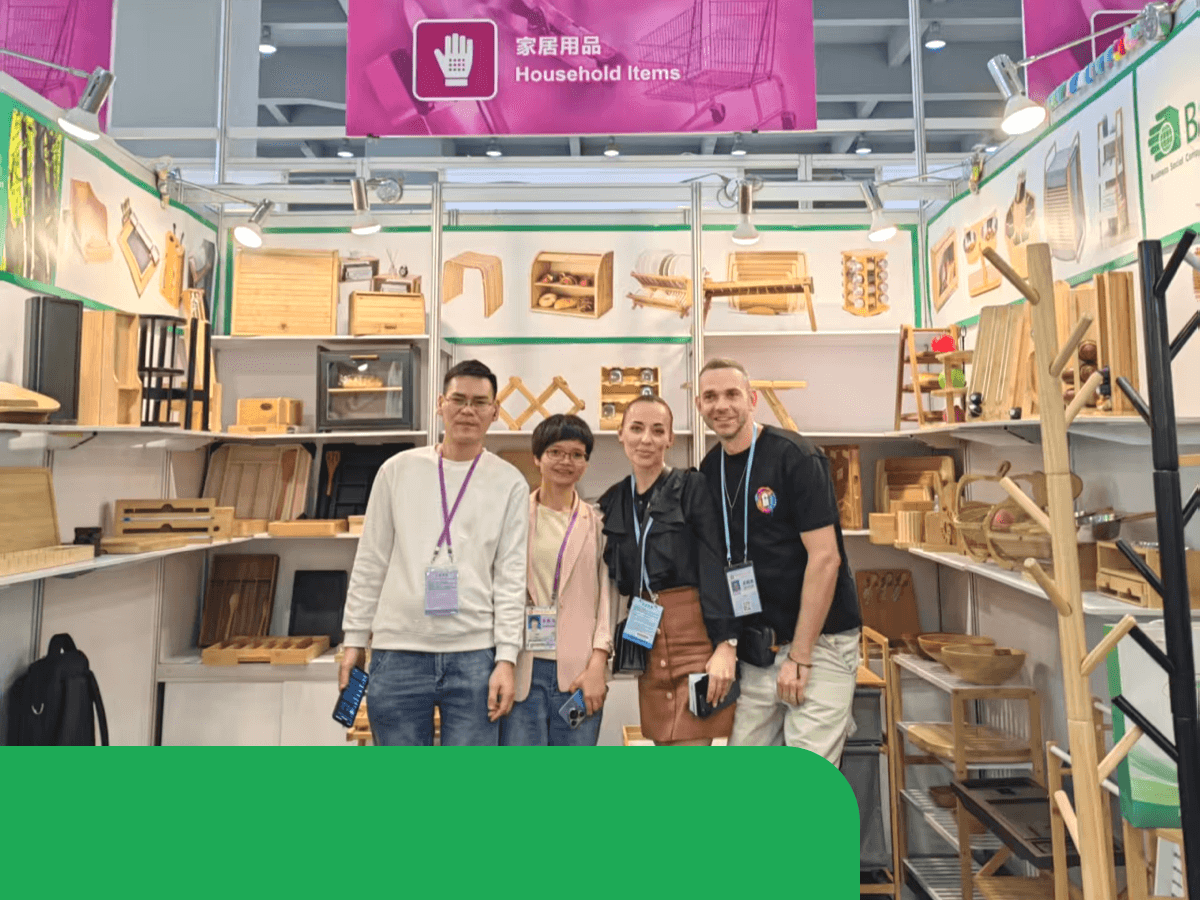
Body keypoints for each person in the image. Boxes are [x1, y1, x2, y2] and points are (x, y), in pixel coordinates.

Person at [339, 359, 529, 746]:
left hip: (475, 653)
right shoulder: (397, 471)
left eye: (479, 402)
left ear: (495, 412)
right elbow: (371, 560)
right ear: (440, 404)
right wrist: (354, 638)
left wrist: (507, 657)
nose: (468, 410)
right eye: (458, 399)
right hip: (398, 650)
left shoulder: (510, 483)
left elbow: (511, 577)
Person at [696, 357, 862, 761]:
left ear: (752, 400)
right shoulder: (710, 469)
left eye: (732, 394)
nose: (722, 405)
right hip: (758, 649)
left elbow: (825, 559)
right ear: (699, 406)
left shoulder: (796, 457)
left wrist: (800, 655)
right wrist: (727, 642)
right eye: (710, 397)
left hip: (817, 643)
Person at [598, 395, 737, 746]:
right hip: (647, 638)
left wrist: (726, 644)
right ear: (621, 434)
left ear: (670, 439)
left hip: (695, 637)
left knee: (692, 748)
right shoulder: (614, 500)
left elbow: (715, 564)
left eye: (658, 431)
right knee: (662, 743)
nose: (646, 439)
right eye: (636, 428)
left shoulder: (692, 487)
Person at [502, 414, 613, 747]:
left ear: (586, 463)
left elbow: (607, 600)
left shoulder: (598, 525)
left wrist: (599, 663)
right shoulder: (511, 517)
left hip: (580, 674)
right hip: (523, 670)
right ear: (537, 457)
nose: (566, 461)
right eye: (556, 452)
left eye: (577, 454)